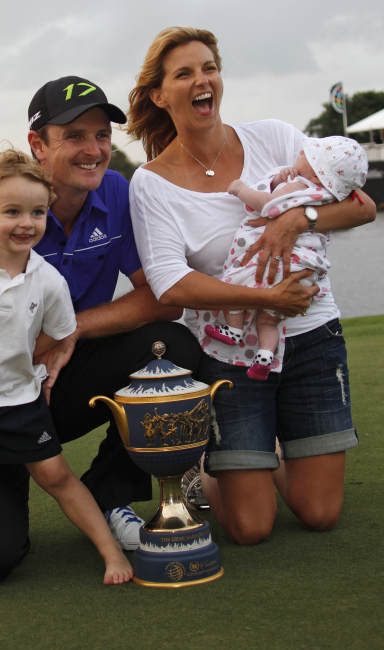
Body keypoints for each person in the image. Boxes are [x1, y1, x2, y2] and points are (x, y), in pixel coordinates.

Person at [0, 75, 203, 587]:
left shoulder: (118, 194)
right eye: (75, 136)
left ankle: (107, 496)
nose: (94, 149)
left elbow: (161, 297)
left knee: (173, 347)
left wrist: (71, 331)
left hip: (62, 380)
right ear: (38, 145)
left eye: (102, 135)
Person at [127, 27, 376, 545]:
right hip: (232, 353)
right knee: (250, 528)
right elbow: (170, 285)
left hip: (313, 338)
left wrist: (297, 219)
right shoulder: (151, 182)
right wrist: (265, 299)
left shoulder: (275, 137)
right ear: (159, 94)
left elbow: (362, 206)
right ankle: (207, 469)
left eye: (209, 68)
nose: (203, 81)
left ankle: (271, 453)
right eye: (185, 73)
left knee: (320, 513)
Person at [0, 149, 133, 609]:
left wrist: (13, 363)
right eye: (11, 211)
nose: (26, 223)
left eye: (37, 212)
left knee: (55, 473)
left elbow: (58, 334)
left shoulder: (48, 280)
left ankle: (109, 549)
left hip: (19, 397)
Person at [201, 136, 368, 380]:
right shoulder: (331, 196)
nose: (300, 151)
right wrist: (280, 177)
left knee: (231, 287)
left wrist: (241, 190)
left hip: (273, 266)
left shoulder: (301, 185)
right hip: (302, 274)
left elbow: (268, 205)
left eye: (307, 156)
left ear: (314, 175)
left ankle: (234, 330)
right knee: (268, 321)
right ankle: (265, 357)